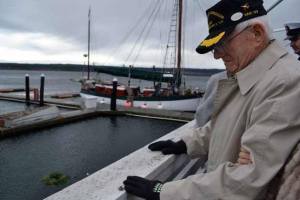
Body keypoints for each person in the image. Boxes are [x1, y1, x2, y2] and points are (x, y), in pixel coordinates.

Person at [123, 0, 300, 199]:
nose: (216, 55)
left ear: (257, 34)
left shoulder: (285, 82)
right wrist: (186, 143)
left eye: (222, 43)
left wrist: (163, 191)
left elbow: (248, 178)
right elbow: (226, 127)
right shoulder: (253, 74)